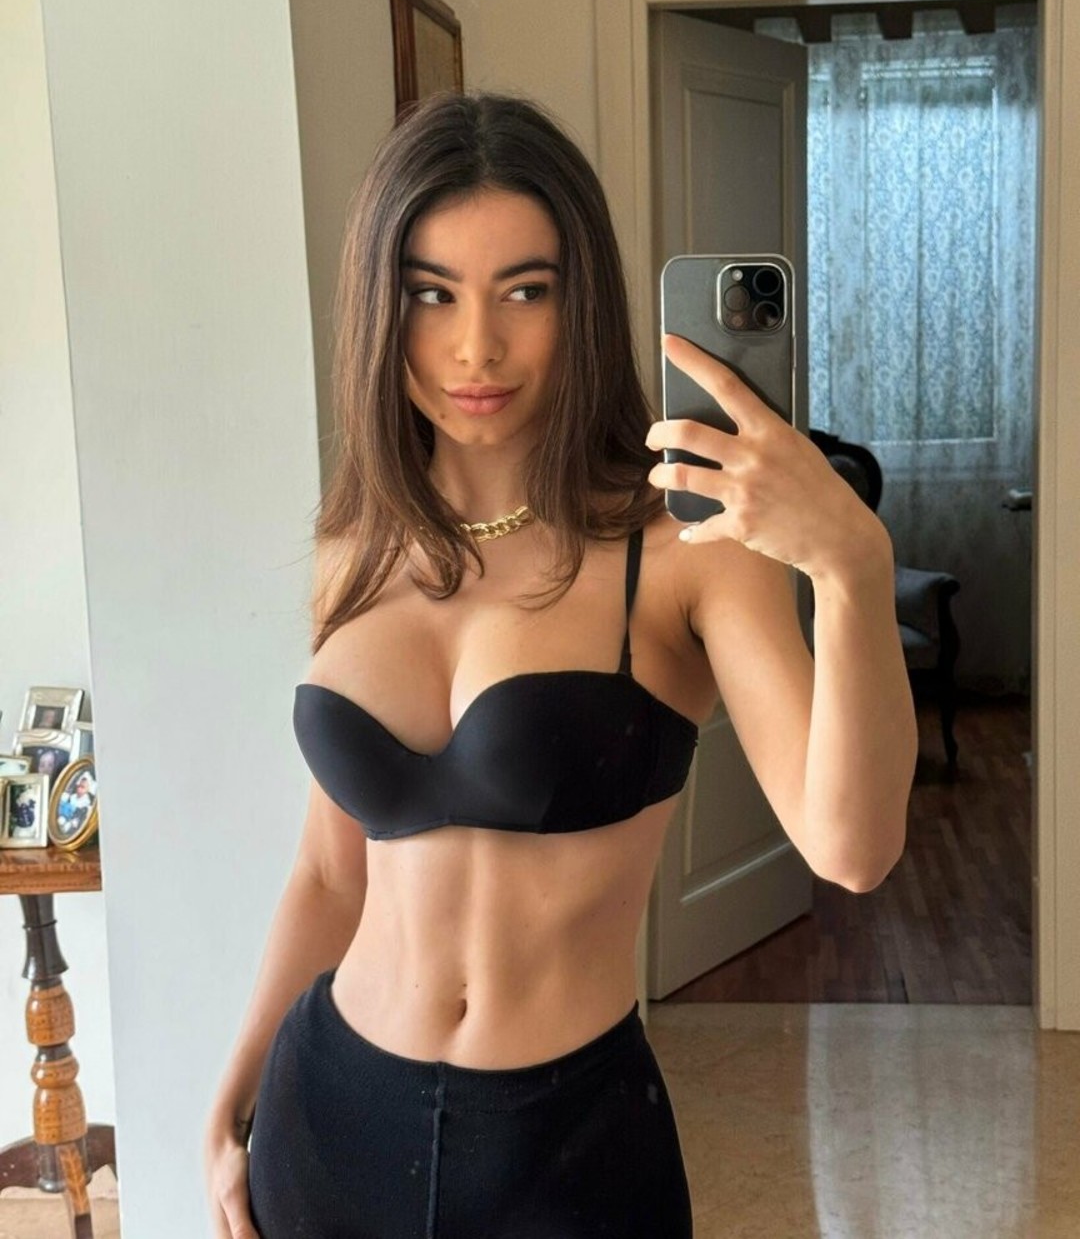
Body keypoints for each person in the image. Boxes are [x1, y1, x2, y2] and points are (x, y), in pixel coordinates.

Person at [203, 92, 916, 1239]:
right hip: (327, 1121)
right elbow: (332, 875)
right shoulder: (354, 546)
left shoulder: (682, 550)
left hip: (569, 1153)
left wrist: (852, 564)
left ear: (581, 305)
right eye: (432, 293)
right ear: (381, 306)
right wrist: (236, 1084)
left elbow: (853, 846)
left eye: (524, 291)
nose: (476, 346)